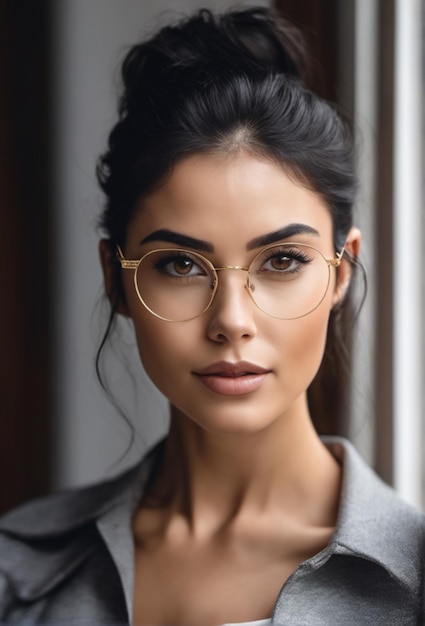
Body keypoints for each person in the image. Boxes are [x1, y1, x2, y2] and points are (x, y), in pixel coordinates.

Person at [0, 6, 424, 626]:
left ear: (339, 271)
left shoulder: (410, 589)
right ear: (117, 278)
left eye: (281, 260)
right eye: (180, 265)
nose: (231, 320)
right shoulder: (20, 573)